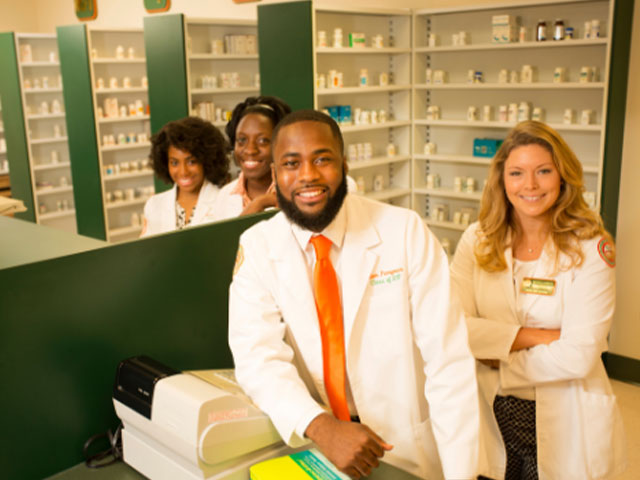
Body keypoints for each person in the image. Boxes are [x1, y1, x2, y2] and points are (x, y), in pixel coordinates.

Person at [228, 110, 480, 479]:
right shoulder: (258, 247)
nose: (308, 175)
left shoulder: (404, 231)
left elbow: (448, 361)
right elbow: (257, 358)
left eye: (322, 159)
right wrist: (320, 426)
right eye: (291, 163)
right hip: (314, 444)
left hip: (406, 448)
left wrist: (462, 475)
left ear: (344, 164)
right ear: (275, 174)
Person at [450, 121, 627, 480]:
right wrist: (538, 336)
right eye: (516, 173)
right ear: (502, 180)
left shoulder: (591, 247)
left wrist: (497, 360)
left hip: (566, 413)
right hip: (488, 412)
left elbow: (578, 356)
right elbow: (454, 328)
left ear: (563, 176)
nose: (529, 185)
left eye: (543, 171)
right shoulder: (476, 239)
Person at [140, 116, 229, 237]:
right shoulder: (154, 205)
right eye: (174, 163)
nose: (183, 172)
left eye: (191, 161)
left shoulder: (224, 201)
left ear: (206, 161)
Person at [215, 96, 291, 218]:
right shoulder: (224, 196)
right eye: (242, 140)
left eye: (262, 141)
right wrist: (258, 204)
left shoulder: (296, 193)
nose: (250, 150)